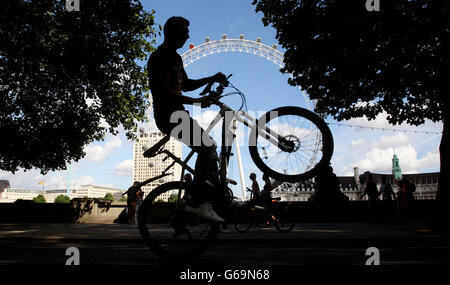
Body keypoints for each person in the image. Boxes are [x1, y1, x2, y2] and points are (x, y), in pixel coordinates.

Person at [147, 16, 227, 223]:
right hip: (168, 115)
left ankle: (216, 201)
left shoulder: (176, 58)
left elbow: (187, 84)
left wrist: (212, 78)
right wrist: (198, 102)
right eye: (184, 31)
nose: (188, 36)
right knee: (208, 148)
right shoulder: (160, 57)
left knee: (211, 155)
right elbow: (164, 92)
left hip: (178, 114)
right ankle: (196, 203)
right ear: (172, 33)